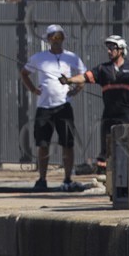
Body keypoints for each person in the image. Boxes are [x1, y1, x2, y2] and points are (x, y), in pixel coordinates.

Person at [68, 34, 129, 171]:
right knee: (106, 150)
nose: (109, 51)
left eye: (112, 48)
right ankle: (105, 180)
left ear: (121, 49)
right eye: (108, 48)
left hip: (127, 117)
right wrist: (69, 80)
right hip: (109, 116)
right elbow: (85, 77)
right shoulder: (102, 69)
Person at [19, 24, 86, 192]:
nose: (57, 41)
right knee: (43, 144)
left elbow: (83, 75)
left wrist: (76, 89)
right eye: (53, 38)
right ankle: (42, 179)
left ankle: (68, 178)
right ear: (48, 40)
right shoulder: (38, 58)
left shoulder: (71, 57)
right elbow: (24, 73)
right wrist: (33, 89)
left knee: (67, 144)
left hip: (64, 106)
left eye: (60, 37)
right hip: (44, 107)